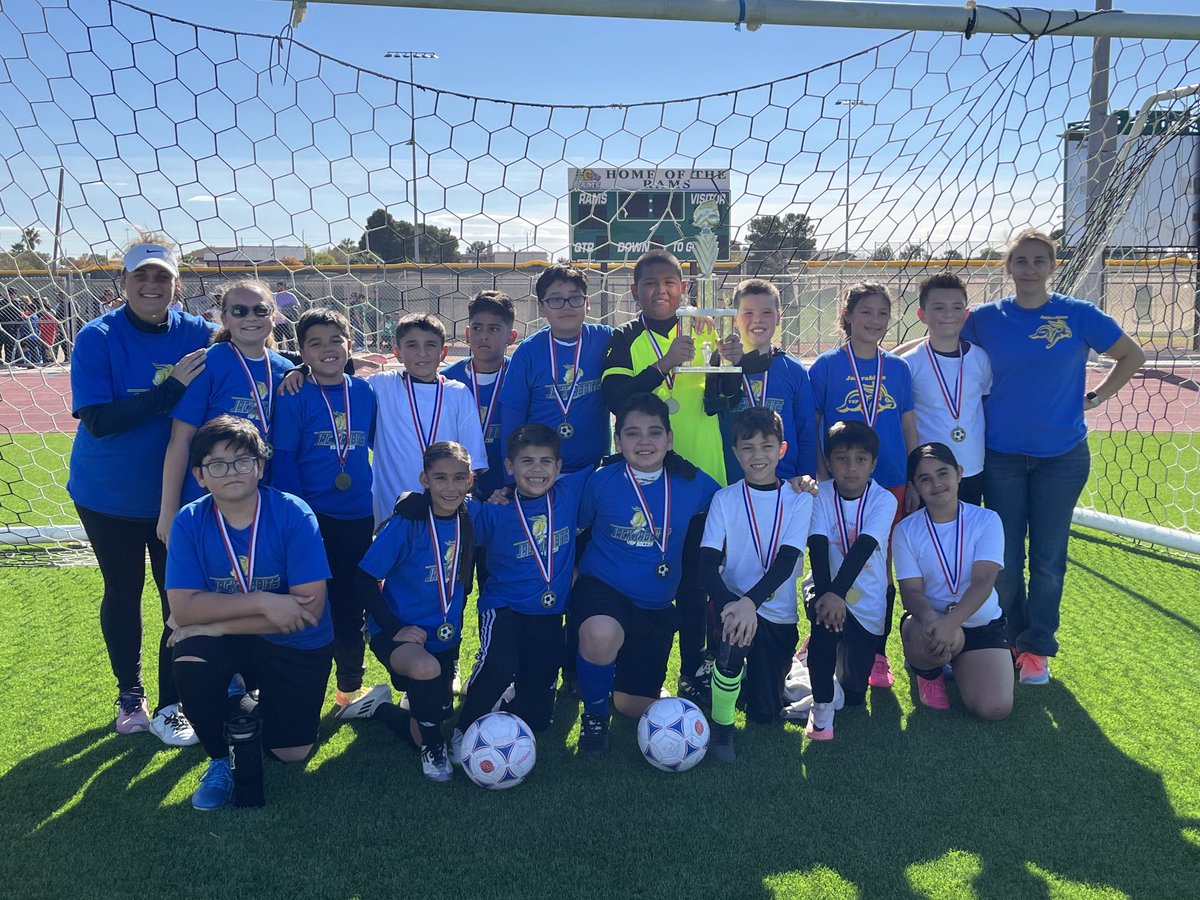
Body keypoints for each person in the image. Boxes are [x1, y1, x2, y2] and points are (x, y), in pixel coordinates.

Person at [961, 229, 1144, 684]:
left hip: (1062, 458)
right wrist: (884, 359)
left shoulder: (1078, 314)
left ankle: (1037, 647)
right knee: (1004, 560)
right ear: (1008, 267)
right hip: (1001, 456)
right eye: (1021, 260)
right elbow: (937, 342)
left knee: (1047, 559)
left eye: (1039, 261)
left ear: (1052, 266)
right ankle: (1011, 637)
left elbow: (1131, 355)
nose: (1030, 269)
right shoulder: (985, 318)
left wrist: (1095, 398)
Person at [68, 241, 213, 744]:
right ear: (123, 283)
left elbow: (252, 355)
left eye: (162, 277)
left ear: (177, 284)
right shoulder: (98, 336)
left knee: (179, 596)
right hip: (108, 495)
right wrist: (169, 390)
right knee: (123, 590)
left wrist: (305, 370)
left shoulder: (199, 333)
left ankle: (174, 701)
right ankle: (130, 693)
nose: (152, 285)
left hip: (180, 498)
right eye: (141, 276)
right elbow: (99, 420)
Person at [165, 416, 333, 810]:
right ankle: (219, 759)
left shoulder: (294, 514)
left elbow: (308, 610)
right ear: (199, 475)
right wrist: (263, 600)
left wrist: (219, 626)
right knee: (190, 657)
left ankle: (241, 697)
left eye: (243, 461)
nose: (232, 472)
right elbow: (183, 608)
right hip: (253, 626)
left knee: (290, 752)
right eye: (217, 464)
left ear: (260, 466)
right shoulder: (189, 520)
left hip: (295, 639)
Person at [601, 249, 735, 702]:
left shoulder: (705, 328)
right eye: (650, 283)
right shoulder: (624, 337)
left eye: (670, 282)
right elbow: (616, 398)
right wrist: (663, 366)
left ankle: (694, 667)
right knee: (647, 576)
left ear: (684, 288)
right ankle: (631, 666)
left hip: (700, 475)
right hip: (646, 480)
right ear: (635, 290)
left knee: (698, 583)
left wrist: (730, 364)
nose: (661, 290)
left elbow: (723, 401)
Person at [573, 393, 720, 754]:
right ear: (617, 440)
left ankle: (607, 680)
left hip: (654, 605)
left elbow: (738, 501)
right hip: (604, 589)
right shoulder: (601, 481)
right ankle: (594, 716)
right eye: (632, 433)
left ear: (670, 439)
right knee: (601, 632)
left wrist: (791, 487)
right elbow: (575, 528)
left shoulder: (692, 482)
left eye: (655, 432)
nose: (644, 442)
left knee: (631, 705)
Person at [272, 308, 390, 720]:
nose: (327, 349)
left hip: (357, 517)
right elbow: (284, 460)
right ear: (302, 352)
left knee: (350, 603)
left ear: (350, 346)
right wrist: (299, 521)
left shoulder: (365, 392)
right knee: (309, 603)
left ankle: (349, 689)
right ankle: (300, 686)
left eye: (335, 341)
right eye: (315, 343)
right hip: (313, 518)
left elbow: (374, 443)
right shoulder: (294, 394)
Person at [453, 423, 590, 759]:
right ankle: (463, 729)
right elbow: (447, 502)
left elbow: (615, 465)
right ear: (509, 466)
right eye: (526, 461)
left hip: (549, 615)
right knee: (499, 665)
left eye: (546, 461)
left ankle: (507, 703)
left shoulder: (569, 493)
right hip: (505, 608)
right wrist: (409, 500)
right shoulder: (495, 510)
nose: (537, 470)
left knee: (537, 719)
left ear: (559, 466)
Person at [809, 282, 917, 690]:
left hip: (889, 480)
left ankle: (878, 653)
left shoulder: (899, 369)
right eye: (866, 312)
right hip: (840, 481)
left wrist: (913, 476)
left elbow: (908, 426)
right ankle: (821, 631)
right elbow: (813, 424)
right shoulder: (826, 366)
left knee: (880, 567)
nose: (875, 320)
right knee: (831, 554)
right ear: (848, 315)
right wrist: (822, 472)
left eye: (882, 313)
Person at [699, 408, 813, 762]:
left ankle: (737, 678)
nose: (757, 455)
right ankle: (722, 726)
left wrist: (750, 603)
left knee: (765, 712)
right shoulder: (725, 499)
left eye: (766, 446)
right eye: (747, 447)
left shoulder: (799, 498)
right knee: (735, 639)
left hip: (776, 614)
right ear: (735, 453)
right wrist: (732, 606)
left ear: (782, 449)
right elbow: (706, 564)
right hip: (732, 606)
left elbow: (786, 562)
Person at [359, 441, 476, 782]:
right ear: (425, 480)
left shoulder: (472, 514)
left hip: (444, 638)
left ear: (470, 480)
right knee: (426, 675)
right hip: (400, 638)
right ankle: (433, 748)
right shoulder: (407, 522)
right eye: (440, 478)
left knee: (428, 721)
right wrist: (393, 627)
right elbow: (362, 579)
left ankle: (380, 707)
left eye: (459, 478)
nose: (450, 487)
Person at [158, 280, 293, 543]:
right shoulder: (207, 363)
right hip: (207, 498)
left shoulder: (286, 369)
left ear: (273, 316)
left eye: (260, 310)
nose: (250, 317)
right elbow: (180, 439)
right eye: (239, 311)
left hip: (263, 498)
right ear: (225, 318)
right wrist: (168, 511)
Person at [894, 443, 1013, 718]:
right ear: (914, 486)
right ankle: (929, 672)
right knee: (925, 637)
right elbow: (911, 592)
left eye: (943, 473)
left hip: (980, 624)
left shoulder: (987, 520)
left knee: (995, 709)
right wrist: (936, 623)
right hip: (930, 622)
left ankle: (962, 662)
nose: (936, 484)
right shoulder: (906, 530)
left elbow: (984, 581)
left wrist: (952, 622)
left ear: (959, 473)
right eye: (925, 479)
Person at [804, 420, 898, 741]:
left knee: (855, 693)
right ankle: (821, 710)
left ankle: (834, 655)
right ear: (829, 463)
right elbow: (817, 547)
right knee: (824, 628)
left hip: (866, 597)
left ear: (873, 464)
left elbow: (864, 548)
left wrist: (838, 594)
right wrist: (827, 595)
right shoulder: (819, 495)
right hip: (824, 585)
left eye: (861, 459)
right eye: (842, 458)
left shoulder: (884, 500)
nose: (851, 467)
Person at [368, 313, 487, 526]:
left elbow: (473, 460)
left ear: (443, 352)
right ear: (397, 353)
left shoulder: (458, 393)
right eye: (412, 345)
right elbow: (338, 380)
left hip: (444, 510)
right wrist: (348, 364)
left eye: (430, 345)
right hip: (391, 509)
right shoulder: (382, 385)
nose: (421, 353)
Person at [498, 265, 613, 477]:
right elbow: (512, 420)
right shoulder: (528, 352)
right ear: (541, 307)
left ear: (587, 303)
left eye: (575, 298)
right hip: (540, 476)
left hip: (595, 471)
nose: (566, 306)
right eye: (556, 299)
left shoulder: (606, 340)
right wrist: (512, 481)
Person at [704, 277, 818, 482]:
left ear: (778, 317)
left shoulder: (794, 371)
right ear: (735, 319)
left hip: (784, 484)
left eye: (766, 312)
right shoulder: (720, 366)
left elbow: (806, 432)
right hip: (730, 484)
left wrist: (805, 478)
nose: (757, 320)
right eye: (748, 313)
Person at [900, 273, 991, 506]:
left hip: (971, 468)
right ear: (921, 314)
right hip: (926, 474)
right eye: (939, 308)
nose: (948, 314)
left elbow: (984, 404)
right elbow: (906, 424)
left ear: (966, 314)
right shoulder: (909, 364)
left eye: (956, 307)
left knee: (965, 527)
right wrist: (911, 478)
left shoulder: (980, 358)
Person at [442, 289, 519, 502]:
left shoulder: (520, 375)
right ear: (468, 333)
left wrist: (512, 486)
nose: (483, 335)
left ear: (511, 337)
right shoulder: (446, 379)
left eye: (494, 329)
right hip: (455, 491)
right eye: (477, 328)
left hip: (507, 489)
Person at [273, 280, 301, 350]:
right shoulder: (274, 296)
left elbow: (298, 305)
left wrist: (289, 308)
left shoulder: (290, 295)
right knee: (278, 339)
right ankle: (279, 352)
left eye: (280, 286)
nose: (278, 288)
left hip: (288, 320)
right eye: (277, 286)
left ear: (284, 286)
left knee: (290, 338)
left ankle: (292, 352)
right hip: (278, 321)